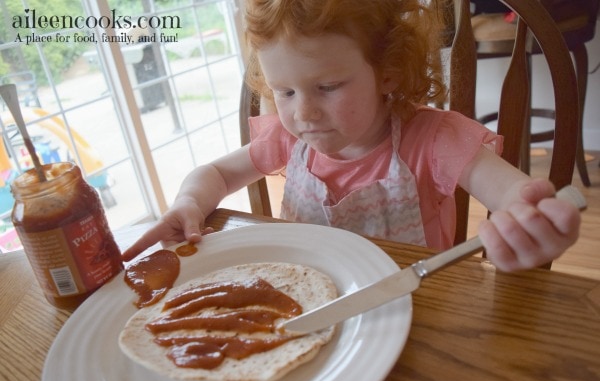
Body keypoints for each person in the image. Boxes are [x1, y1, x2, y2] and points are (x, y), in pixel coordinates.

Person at [122, 0, 580, 272]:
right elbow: (218, 175)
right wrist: (188, 203)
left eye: (327, 87)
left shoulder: (432, 139)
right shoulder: (291, 139)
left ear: (387, 72)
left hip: (416, 309)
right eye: (284, 91)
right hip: (315, 304)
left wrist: (532, 217)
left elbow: (511, 191)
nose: (303, 112)